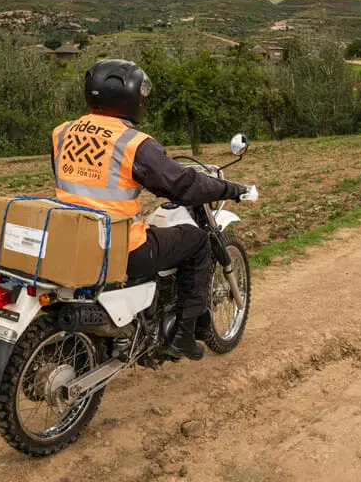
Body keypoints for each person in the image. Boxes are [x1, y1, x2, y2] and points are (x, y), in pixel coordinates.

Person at [51, 59, 251, 360]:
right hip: (118, 246)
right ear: (131, 99)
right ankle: (182, 336)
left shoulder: (62, 133)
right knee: (196, 243)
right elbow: (182, 186)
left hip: (73, 239)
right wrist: (231, 189)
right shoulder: (133, 143)